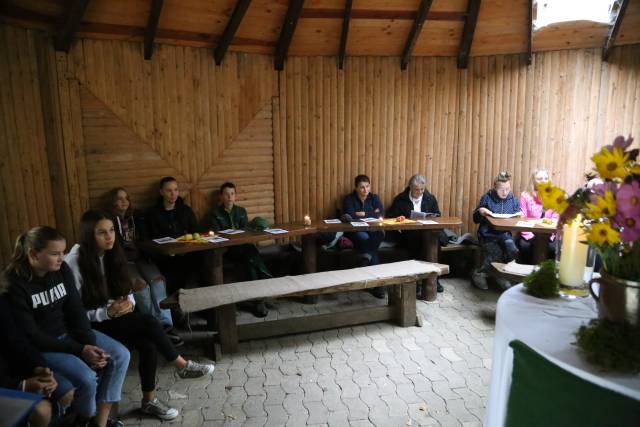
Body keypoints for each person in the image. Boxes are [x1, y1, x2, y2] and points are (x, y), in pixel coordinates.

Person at [65, 209, 215, 421]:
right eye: (102, 233)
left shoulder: (112, 253)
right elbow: (74, 313)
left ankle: (149, 401)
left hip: (112, 316)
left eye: (111, 231)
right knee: (148, 322)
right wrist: (106, 312)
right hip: (90, 324)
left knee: (148, 342)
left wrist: (128, 303)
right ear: (89, 235)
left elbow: (125, 287)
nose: (109, 237)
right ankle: (181, 365)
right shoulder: (74, 262)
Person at [4, 226, 129, 427]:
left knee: (121, 355)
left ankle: (100, 422)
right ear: (33, 254)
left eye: (63, 252)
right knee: (87, 378)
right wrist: (81, 350)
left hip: (69, 335)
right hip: (44, 346)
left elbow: (76, 310)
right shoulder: (14, 283)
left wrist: (89, 344)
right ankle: (86, 419)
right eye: (55, 254)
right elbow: (31, 335)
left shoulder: (61, 269)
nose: (62, 258)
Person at [107, 187, 183, 346]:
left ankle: (166, 325)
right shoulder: (109, 221)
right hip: (124, 263)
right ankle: (154, 327)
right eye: (119, 198)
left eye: (126, 198)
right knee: (141, 287)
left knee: (158, 281)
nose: (124, 202)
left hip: (142, 258)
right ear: (113, 202)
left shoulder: (137, 218)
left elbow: (147, 239)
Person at [206, 182, 272, 317]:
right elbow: (216, 234)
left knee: (251, 259)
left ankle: (258, 300)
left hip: (242, 247)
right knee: (252, 256)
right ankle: (263, 292)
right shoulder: (214, 213)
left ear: (235, 196)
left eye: (232, 194)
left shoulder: (241, 211)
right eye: (226, 194)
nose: (229, 197)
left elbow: (246, 232)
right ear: (221, 196)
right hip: (226, 251)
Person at [387, 174, 444, 293]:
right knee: (416, 242)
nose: (420, 192)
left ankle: (433, 279)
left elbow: (438, 215)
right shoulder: (400, 199)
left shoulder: (430, 198)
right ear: (410, 188)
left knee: (434, 243)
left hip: (427, 231)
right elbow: (390, 217)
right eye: (417, 189)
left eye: (422, 189)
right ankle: (417, 280)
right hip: (408, 234)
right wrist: (400, 218)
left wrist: (432, 217)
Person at [145, 177, 201, 295]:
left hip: (187, 252)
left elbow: (196, 231)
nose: (173, 194)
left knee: (204, 263)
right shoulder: (153, 213)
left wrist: (186, 247)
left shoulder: (185, 210)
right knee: (173, 270)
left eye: (175, 190)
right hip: (165, 256)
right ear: (161, 192)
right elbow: (153, 238)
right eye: (169, 190)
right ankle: (176, 306)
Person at [472, 171, 523, 291]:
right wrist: (480, 212)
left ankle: (501, 274)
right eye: (501, 189)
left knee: (513, 249)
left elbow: (518, 215)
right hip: (487, 235)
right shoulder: (487, 198)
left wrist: (520, 215)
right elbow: (475, 219)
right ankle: (480, 273)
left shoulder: (513, 200)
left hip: (505, 235)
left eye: (507, 189)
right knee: (496, 251)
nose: (505, 192)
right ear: (495, 187)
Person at [343, 175, 386, 298]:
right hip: (357, 230)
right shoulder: (349, 199)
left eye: (367, 186)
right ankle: (379, 287)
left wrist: (363, 213)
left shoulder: (374, 198)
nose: (365, 190)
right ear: (356, 188)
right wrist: (371, 213)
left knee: (379, 234)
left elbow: (381, 213)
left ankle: (365, 258)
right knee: (366, 241)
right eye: (362, 187)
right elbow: (350, 215)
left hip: (375, 230)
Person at [518, 169, 559, 263]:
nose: (543, 181)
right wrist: (530, 236)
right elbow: (522, 218)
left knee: (552, 249)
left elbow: (556, 218)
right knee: (525, 247)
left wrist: (550, 236)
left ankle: (545, 275)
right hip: (529, 233)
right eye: (540, 178)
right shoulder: (525, 196)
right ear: (533, 181)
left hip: (549, 234)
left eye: (546, 178)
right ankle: (526, 275)